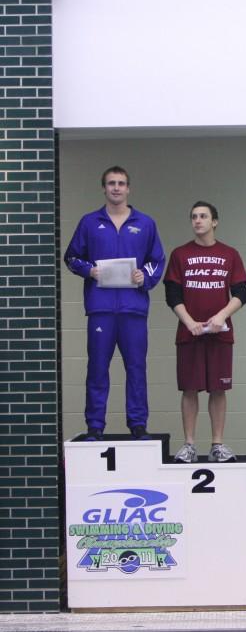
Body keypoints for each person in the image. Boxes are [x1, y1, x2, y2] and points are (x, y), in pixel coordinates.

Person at [64, 166, 165, 441]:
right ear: (104, 188)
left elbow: (157, 261)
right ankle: (95, 426)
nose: (116, 188)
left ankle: (138, 424)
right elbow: (71, 257)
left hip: (133, 309)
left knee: (136, 368)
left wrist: (144, 277)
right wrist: (90, 271)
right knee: (97, 368)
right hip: (101, 308)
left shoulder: (145, 223)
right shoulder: (89, 222)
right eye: (111, 183)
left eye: (121, 183)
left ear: (128, 188)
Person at [164, 201, 246, 464]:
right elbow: (172, 294)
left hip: (219, 333)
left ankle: (217, 444)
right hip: (189, 333)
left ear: (215, 221)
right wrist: (189, 321)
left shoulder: (230, 254)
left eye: (203, 216)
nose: (198, 220)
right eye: (194, 217)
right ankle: (189, 444)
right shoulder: (180, 254)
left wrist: (222, 315)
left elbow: (241, 293)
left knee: (218, 389)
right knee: (189, 389)